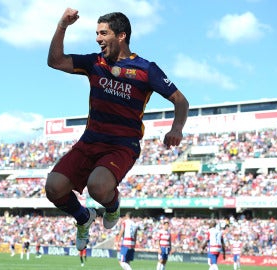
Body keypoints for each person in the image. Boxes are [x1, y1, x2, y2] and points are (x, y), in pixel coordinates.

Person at [45, 7, 189, 251]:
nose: (98, 39)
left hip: (122, 145)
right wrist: (62, 25)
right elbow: (55, 61)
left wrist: (176, 128)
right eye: (97, 34)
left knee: (97, 187)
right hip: (89, 141)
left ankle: (112, 207)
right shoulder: (94, 62)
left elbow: (180, 100)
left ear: (121, 36)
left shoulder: (146, 69)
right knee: (53, 187)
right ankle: (83, 217)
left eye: (103, 33)